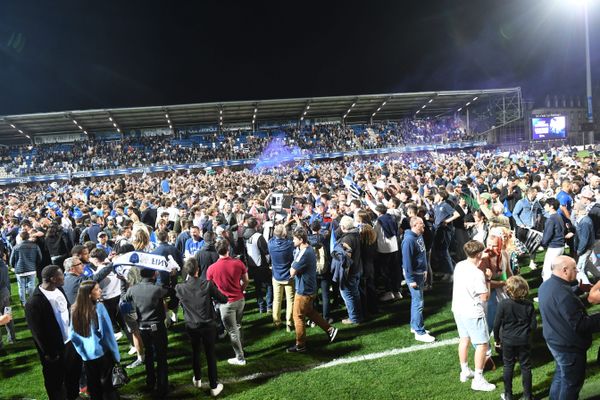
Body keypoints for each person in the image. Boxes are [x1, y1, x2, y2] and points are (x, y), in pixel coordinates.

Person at [538, 255, 600, 399]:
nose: (578, 270)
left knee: (561, 377)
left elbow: (561, 300)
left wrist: (578, 289)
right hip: (569, 347)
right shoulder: (563, 295)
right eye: (574, 268)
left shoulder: (546, 286)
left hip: (555, 342)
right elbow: (581, 325)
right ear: (564, 270)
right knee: (571, 384)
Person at [25, 265, 82, 400]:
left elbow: (66, 309)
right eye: (61, 275)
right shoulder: (34, 302)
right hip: (54, 350)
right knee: (55, 382)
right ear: (53, 279)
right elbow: (37, 332)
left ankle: (74, 396)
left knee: (73, 374)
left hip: (70, 342)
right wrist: (49, 353)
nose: (64, 276)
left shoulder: (59, 289)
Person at [175, 258, 227, 397]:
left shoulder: (180, 287)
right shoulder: (207, 284)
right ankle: (213, 386)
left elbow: (172, 301)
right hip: (208, 325)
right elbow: (223, 299)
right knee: (210, 355)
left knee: (196, 351)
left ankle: (197, 379)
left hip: (192, 326)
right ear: (198, 269)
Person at [451, 240, 495, 392]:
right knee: (482, 344)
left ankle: (464, 371)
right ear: (478, 254)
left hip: (458, 309)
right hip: (473, 312)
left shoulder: (459, 265)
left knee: (464, 340)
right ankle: (478, 379)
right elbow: (485, 297)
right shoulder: (478, 274)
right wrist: (488, 278)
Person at [287, 228, 338, 353]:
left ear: (301, 240)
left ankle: (300, 345)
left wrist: (293, 263)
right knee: (310, 312)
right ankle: (330, 330)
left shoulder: (304, 253)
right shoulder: (308, 248)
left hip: (304, 290)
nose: (292, 240)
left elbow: (292, 272)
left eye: (294, 238)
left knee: (297, 317)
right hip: (310, 288)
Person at [123, 267, 170, 397]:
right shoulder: (157, 289)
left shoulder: (133, 289)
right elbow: (171, 292)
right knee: (161, 356)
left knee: (148, 355)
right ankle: (162, 386)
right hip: (157, 327)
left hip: (142, 326)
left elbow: (124, 300)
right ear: (154, 275)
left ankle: (150, 382)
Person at [70, 280, 120, 400]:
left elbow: (73, 335)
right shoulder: (99, 308)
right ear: (88, 294)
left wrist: (82, 352)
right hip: (102, 354)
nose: (100, 291)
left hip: (87, 356)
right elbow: (107, 334)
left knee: (94, 386)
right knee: (108, 387)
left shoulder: (74, 309)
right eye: (97, 289)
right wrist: (116, 355)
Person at [206, 238, 249, 366]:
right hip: (239, 300)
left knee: (232, 331)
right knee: (238, 326)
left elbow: (210, 287)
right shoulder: (238, 263)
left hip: (226, 304)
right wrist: (240, 290)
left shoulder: (212, 268)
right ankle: (241, 351)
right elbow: (246, 280)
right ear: (228, 249)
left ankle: (240, 357)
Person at [493, 275, 536, 400]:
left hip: (508, 341)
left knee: (508, 366)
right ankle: (528, 396)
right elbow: (533, 325)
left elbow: (496, 325)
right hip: (524, 341)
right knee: (526, 367)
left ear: (508, 290)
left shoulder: (503, 304)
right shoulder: (529, 305)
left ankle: (508, 395)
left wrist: (497, 339)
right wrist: (527, 336)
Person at [402, 216, 435, 343]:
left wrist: (425, 270)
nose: (424, 226)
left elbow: (421, 254)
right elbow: (406, 262)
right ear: (415, 225)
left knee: (416, 302)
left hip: (420, 273)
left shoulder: (419, 236)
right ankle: (419, 332)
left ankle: (414, 326)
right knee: (418, 303)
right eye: (421, 224)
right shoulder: (409, 240)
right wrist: (410, 279)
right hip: (414, 275)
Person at [268, 223, 295, 331]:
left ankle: (276, 322)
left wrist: (281, 227)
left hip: (277, 276)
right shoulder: (289, 244)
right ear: (284, 233)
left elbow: (276, 235)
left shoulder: (270, 244)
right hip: (288, 276)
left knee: (277, 300)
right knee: (290, 300)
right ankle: (289, 322)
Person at [337, 215, 364, 324]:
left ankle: (353, 318)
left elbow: (346, 259)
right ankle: (358, 315)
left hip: (351, 272)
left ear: (343, 226)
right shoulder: (356, 234)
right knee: (355, 294)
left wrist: (344, 275)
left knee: (347, 295)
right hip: (357, 269)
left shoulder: (347, 239)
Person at [10, 230, 42, 305]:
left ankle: (24, 303)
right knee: (31, 286)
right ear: (28, 237)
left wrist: (14, 267)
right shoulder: (35, 246)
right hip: (31, 269)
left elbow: (11, 260)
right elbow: (40, 258)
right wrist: (35, 265)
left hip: (20, 270)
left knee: (21, 287)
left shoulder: (16, 247)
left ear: (21, 238)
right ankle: (32, 302)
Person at [540, 198, 568, 281]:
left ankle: (548, 290)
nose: (544, 207)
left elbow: (547, 235)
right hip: (560, 246)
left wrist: (542, 243)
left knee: (547, 272)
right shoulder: (559, 216)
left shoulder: (551, 219)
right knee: (556, 269)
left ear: (551, 206)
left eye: (546, 205)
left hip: (554, 247)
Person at [0, 257, 15, 349]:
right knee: (8, 316)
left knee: (3, 318)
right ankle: (12, 338)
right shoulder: (3, 265)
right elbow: (7, 280)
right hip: (5, 292)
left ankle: (0, 344)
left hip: (2, 292)